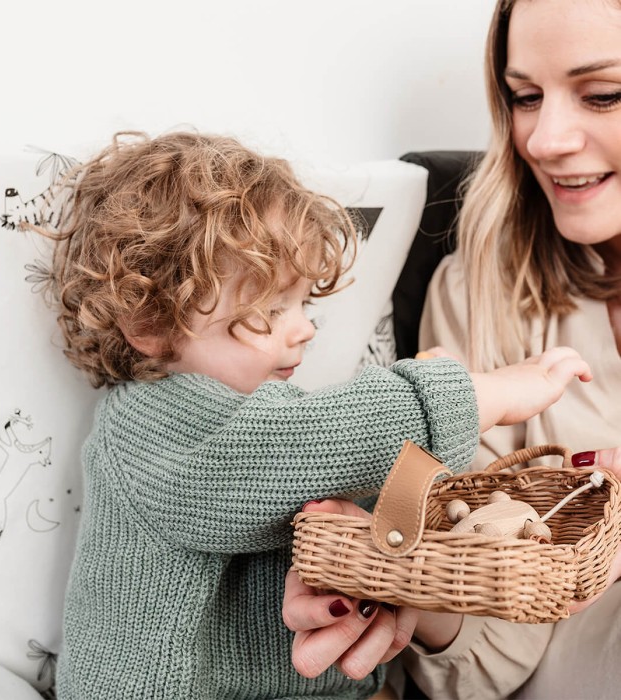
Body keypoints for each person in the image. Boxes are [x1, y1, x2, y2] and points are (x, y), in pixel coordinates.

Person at [35, 130, 591, 700]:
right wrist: (472, 396)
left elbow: (343, 494)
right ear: (150, 325)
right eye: (270, 309)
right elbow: (288, 452)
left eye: (304, 303)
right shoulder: (146, 421)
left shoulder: (276, 410)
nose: (303, 328)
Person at [284, 1, 621, 698]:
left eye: (604, 95)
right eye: (524, 97)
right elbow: (494, 659)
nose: (546, 138)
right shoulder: (480, 288)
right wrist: (409, 585)